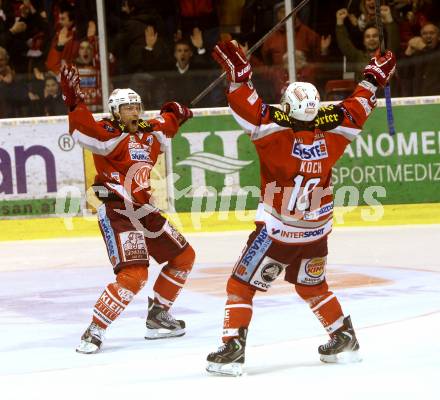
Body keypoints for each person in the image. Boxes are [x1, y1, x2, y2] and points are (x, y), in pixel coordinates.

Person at [206, 40, 396, 376]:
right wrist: (373, 78)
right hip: (317, 232)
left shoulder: (273, 133)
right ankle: (343, 336)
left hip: (277, 231)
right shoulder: (336, 133)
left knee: (240, 286)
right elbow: (358, 107)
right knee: (311, 285)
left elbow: (247, 106)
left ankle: (233, 347)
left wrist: (239, 78)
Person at [60, 64, 196, 354]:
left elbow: (165, 122)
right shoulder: (108, 134)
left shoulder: (150, 132)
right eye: (126, 108)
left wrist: (176, 112)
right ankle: (96, 329)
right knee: (134, 276)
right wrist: (74, 103)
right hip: (118, 211)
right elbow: (85, 129)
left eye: (136, 107)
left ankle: (158, 316)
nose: (134, 112)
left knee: (184, 256)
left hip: (145, 211)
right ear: (115, 113)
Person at [336, 5, 399, 82]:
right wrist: (339, 22)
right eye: (368, 36)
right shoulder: (357, 57)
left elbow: (394, 39)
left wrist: (389, 18)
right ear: (364, 41)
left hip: (387, 94)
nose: (371, 39)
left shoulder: (387, 56)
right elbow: (345, 44)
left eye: (375, 36)